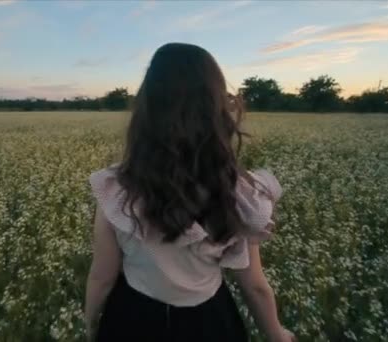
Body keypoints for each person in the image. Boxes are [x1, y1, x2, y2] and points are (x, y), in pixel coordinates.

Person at [84, 42, 295, 342]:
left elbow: (102, 276)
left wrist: (92, 324)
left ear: (146, 109)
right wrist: (276, 332)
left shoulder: (117, 187)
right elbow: (255, 285)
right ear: (215, 106)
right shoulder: (234, 190)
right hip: (210, 323)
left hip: (131, 320)